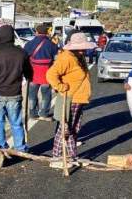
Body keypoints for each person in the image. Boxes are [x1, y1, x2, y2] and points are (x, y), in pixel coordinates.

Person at [46, 32, 94, 165]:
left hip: (79, 99)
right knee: (64, 129)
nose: (83, 50)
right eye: (81, 47)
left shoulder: (78, 57)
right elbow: (51, 74)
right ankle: (56, 157)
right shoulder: (66, 57)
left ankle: (72, 156)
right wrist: (60, 87)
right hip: (70, 98)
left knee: (74, 129)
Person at [23, 24, 60, 121]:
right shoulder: (52, 45)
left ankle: (33, 113)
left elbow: (24, 59)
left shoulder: (29, 44)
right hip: (47, 74)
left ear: (37, 32)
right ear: (47, 33)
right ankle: (44, 113)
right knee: (46, 94)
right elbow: (56, 60)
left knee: (32, 94)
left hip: (33, 74)